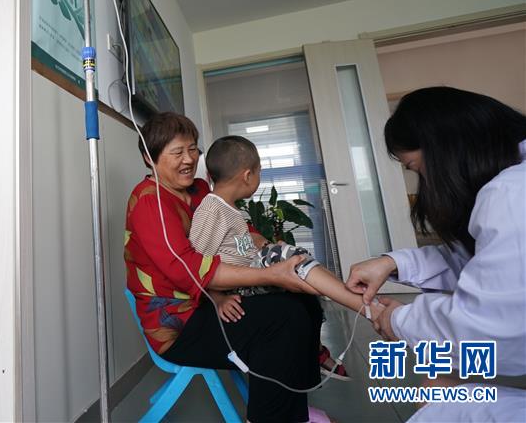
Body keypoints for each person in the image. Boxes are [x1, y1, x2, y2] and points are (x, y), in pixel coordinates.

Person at [125, 112, 329, 422]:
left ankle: (293, 409)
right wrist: (266, 275)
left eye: (192, 149)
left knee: (302, 301)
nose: (189, 159)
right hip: (180, 324)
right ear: (148, 158)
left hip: (208, 301)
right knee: (282, 319)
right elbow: (189, 269)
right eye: (177, 152)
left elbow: (234, 230)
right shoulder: (149, 203)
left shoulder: (198, 190)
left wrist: (259, 245)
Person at [345, 87, 526, 422]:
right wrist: (394, 262)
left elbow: (489, 328)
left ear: (445, 149)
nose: (424, 183)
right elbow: (486, 262)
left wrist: (398, 321)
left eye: (415, 167)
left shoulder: (512, 193)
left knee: (437, 398)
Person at [189, 135, 384, 379]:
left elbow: (237, 249)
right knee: (293, 260)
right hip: (235, 287)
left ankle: (321, 344)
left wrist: (266, 247)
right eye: (259, 172)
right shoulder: (211, 209)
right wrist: (218, 298)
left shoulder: (230, 208)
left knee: (298, 278)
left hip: (249, 276)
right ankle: (366, 306)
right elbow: (196, 264)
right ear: (247, 175)